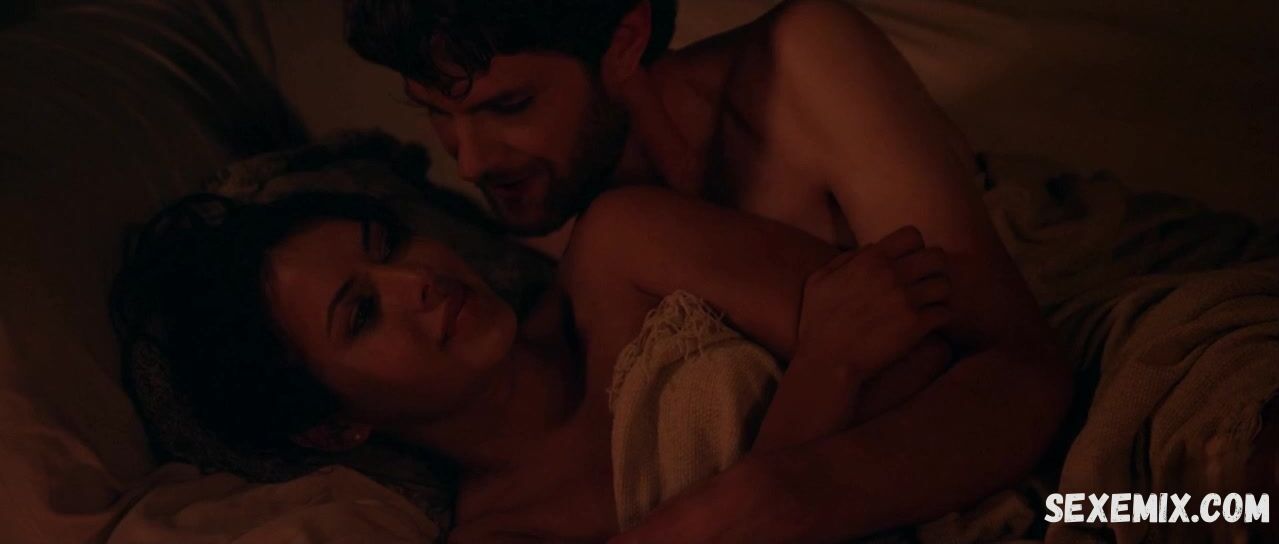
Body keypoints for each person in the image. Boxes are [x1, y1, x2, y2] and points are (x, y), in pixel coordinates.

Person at [344, 0, 1070, 541]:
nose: (470, 162)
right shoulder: (549, 233)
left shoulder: (802, 66)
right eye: (435, 113)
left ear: (624, 41)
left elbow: (1020, 368)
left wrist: (777, 493)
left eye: (509, 105)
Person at [112, 186, 956, 542]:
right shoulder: (503, 538)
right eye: (362, 313)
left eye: (389, 243)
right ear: (334, 426)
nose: (417, 280)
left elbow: (931, 366)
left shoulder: (623, 252)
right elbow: (858, 359)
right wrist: (822, 375)